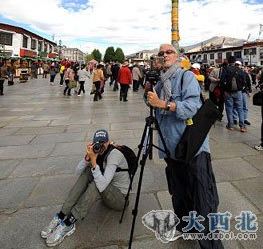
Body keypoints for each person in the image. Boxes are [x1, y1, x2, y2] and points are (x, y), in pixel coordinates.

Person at [146, 43, 223, 249]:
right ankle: (187, 227)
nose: (164, 55)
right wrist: (151, 98)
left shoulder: (186, 77)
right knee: (179, 193)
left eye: (169, 52)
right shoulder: (160, 83)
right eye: (161, 53)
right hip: (171, 147)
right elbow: (157, 109)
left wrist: (162, 104)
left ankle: (211, 245)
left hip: (192, 146)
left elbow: (192, 107)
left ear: (177, 55)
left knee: (202, 198)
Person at [40, 129, 129, 247]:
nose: (100, 145)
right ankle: (61, 215)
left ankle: (69, 222)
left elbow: (102, 185)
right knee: (88, 171)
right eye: (97, 143)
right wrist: (87, 157)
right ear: (93, 143)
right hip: (107, 194)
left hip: (119, 199)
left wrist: (93, 162)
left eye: (103, 142)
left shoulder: (114, 155)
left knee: (96, 183)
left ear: (108, 143)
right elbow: (78, 172)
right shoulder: (96, 152)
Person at [220, 56, 246, 132]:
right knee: (240, 109)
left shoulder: (225, 69)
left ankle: (230, 125)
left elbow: (222, 81)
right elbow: (244, 81)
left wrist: (224, 90)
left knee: (229, 108)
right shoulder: (239, 69)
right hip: (238, 92)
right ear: (235, 61)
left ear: (228, 61)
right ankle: (242, 126)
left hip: (228, 92)